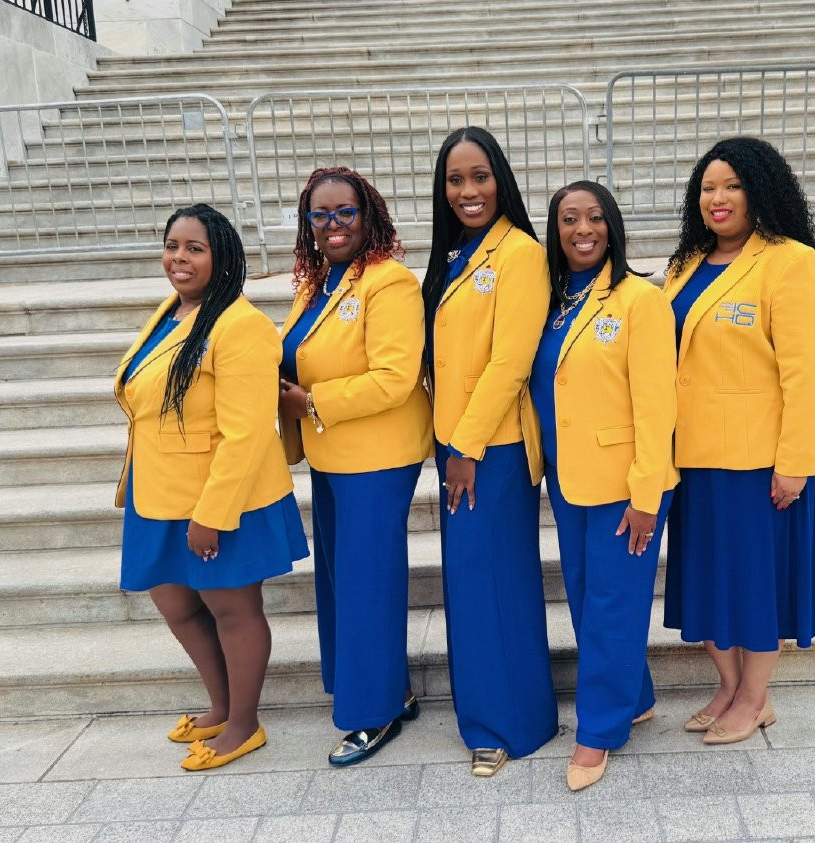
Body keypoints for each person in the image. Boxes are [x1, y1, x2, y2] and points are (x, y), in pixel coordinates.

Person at [114, 203, 309, 771]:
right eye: (173, 245)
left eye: (195, 248)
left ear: (221, 258)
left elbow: (247, 433)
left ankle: (244, 724)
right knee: (176, 604)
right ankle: (222, 706)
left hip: (221, 496)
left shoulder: (240, 325)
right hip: (159, 492)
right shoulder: (173, 311)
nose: (180, 257)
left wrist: (213, 514)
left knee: (231, 609)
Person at [661, 137, 815, 745]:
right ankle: (730, 687)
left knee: (755, 587)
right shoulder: (684, 264)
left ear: (759, 191)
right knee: (712, 583)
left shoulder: (791, 263)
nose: (718, 198)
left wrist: (796, 463)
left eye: (732, 186)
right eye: (708, 187)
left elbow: (807, 373)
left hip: (758, 463)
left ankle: (755, 696)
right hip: (690, 459)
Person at [276, 167, 432, 767]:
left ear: (368, 215)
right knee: (342, 581)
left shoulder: (388, 283)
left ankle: (375, 714)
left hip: (376, 458)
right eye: (321, 214)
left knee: (367, 583)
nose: (333, 224)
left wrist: (310, 401)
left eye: (345, 212)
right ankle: (386, 688)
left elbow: (394, 379)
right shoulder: (318, 282)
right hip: (331, 455)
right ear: (307, 223)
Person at [532, 181, 677, 791]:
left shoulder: (640, 301)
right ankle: (634, 696)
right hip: (570, 478)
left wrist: (647, 496)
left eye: (593, 217)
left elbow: (657, 405)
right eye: (568, 219)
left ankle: (597, 731)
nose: (581, 229)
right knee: (591, 598)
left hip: (627, 484)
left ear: (612, 225)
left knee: (612, 604)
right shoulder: (550, 298)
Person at [421, 126, 556, 777]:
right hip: (459, 441)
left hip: (492, 448)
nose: (468, 189)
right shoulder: (454, 254)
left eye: (479, 175)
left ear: (500, 178)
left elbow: (510, 361)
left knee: (492, 583)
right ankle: (505, 711)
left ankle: (508, 724)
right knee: (475, 585)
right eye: (455, 179)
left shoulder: (520, 253)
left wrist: (466, 446)